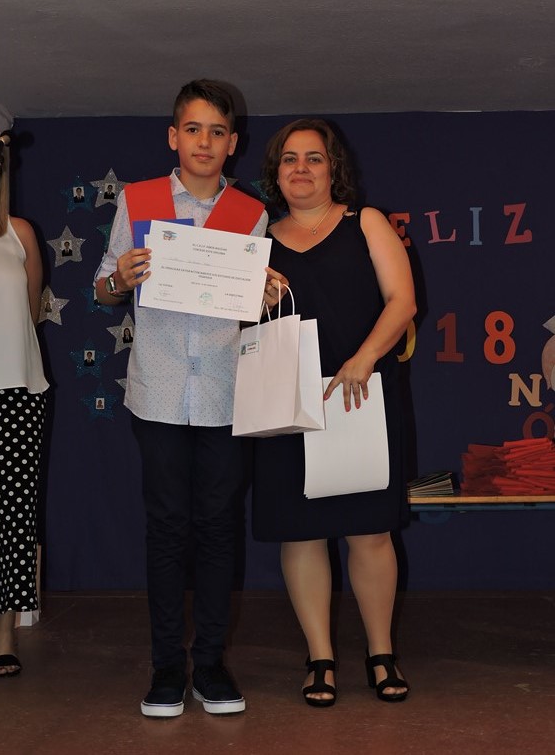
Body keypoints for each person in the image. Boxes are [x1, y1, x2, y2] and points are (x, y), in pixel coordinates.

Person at [94, 79, 286, 718]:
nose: (205, 142)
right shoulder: (139, 199)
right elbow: (102, 287)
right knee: (167, 529)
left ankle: (210, 665)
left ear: (233, 144)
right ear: (174, 137)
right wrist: (119, 279)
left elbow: (246, 305)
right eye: (194, 129)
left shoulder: (250, 213)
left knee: (219, 528)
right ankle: (166, 669)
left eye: (217, 132)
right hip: (158, 390)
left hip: (225, 394)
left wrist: (263, 294)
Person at [252, 119, 417, 707]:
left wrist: (364, 360)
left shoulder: (364, 222)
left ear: (333, 168)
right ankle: (319, 658)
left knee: (370, 532)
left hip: (359, 395)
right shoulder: (257, 238)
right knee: (302, 534)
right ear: (276, 173)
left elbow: (402, 301)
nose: (301, 169)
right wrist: (255, 298)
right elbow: (238, 322)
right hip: (287, 404)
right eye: (289, 159)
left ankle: (381, 654)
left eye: (314, 158)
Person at [0, 131, 48, 677]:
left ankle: (4, 629)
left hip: (14, 390)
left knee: (13, 513)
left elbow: (30, 313)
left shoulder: (17, 233)